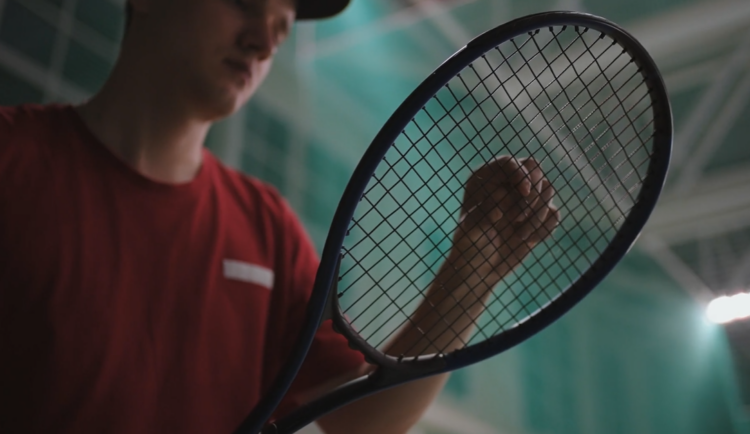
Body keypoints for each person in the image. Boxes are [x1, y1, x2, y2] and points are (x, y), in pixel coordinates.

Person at [0, 0, 559, 433]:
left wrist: (471, 272)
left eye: (284, 25)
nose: (265, 41)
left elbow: (358, 419)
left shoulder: (268, 228)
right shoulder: (12, 158)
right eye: (243, 2)